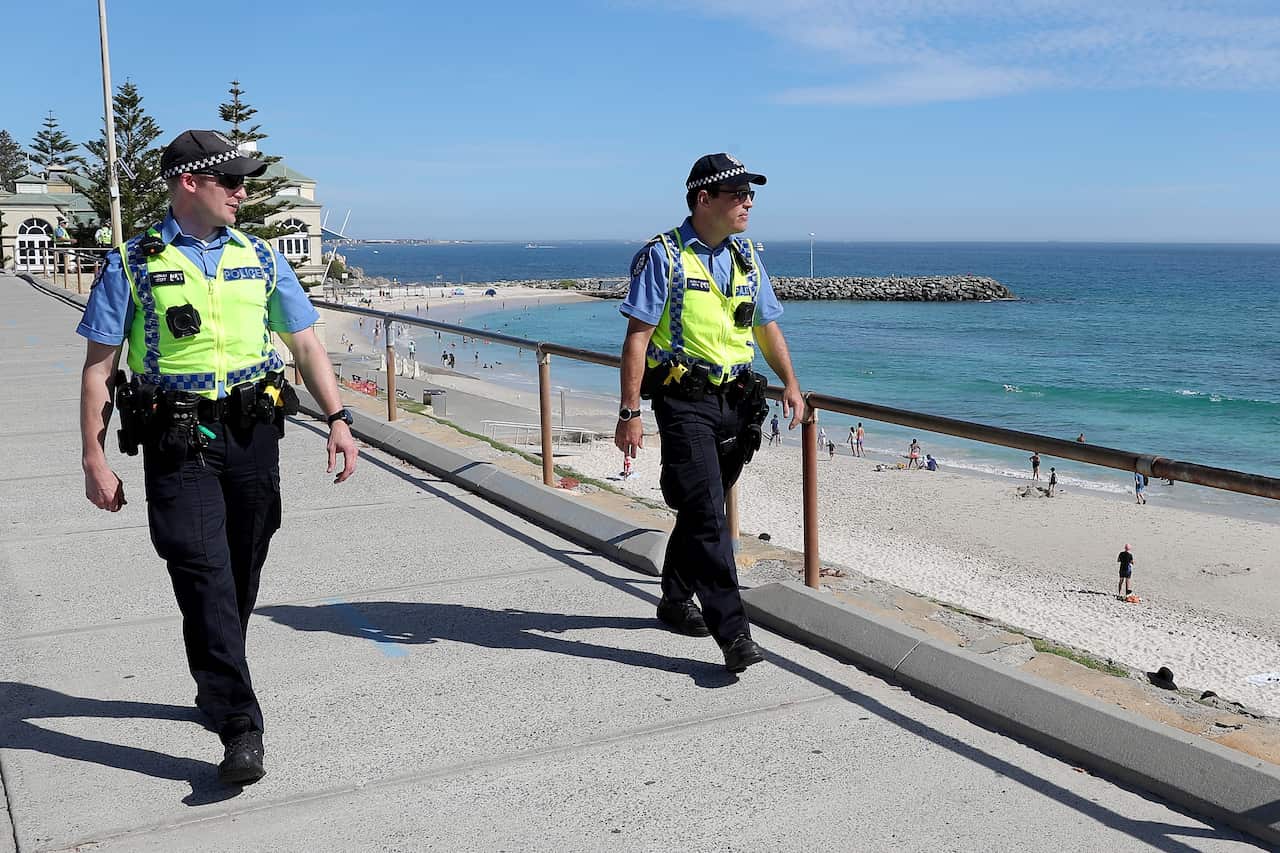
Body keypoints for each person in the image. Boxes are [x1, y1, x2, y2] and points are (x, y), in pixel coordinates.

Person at [76, 130, 359, 787]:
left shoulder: (260, 258)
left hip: (253, 435)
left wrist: (339, 420)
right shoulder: (132, 262)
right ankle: (241, 724)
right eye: (229, 180)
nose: (242, 191)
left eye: (244, 180)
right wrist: (93, 455)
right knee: (203, 574)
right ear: (187, 183)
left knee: (238, 571)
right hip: (177, 442)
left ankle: (219, 669)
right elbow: (99, 368)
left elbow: (309, 345)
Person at [615, 152, 802, 673]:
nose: (748, 202)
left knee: (702, 509)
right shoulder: (664, 256)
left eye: (751, 195)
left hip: (737, 405)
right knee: (709, 519)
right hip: (684, 402)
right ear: (704, 199)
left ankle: (675, 600)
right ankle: (734, 632)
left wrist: (791, 383)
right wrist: (629, 411)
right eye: (737, 194)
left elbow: (766, 325)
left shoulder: (745, 256)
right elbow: (637, 337)